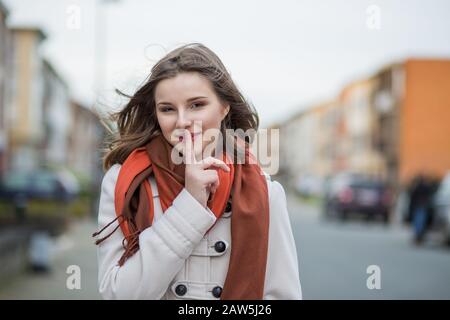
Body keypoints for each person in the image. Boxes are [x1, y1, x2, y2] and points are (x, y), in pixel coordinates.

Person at [93, 43, 302, 300]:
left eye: (196, 105)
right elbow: (116, 295)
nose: (182, 121)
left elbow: (282, 295)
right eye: (167, 109)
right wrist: (189, 204)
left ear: (224, 107)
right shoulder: (124, 183)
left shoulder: (266, 193)